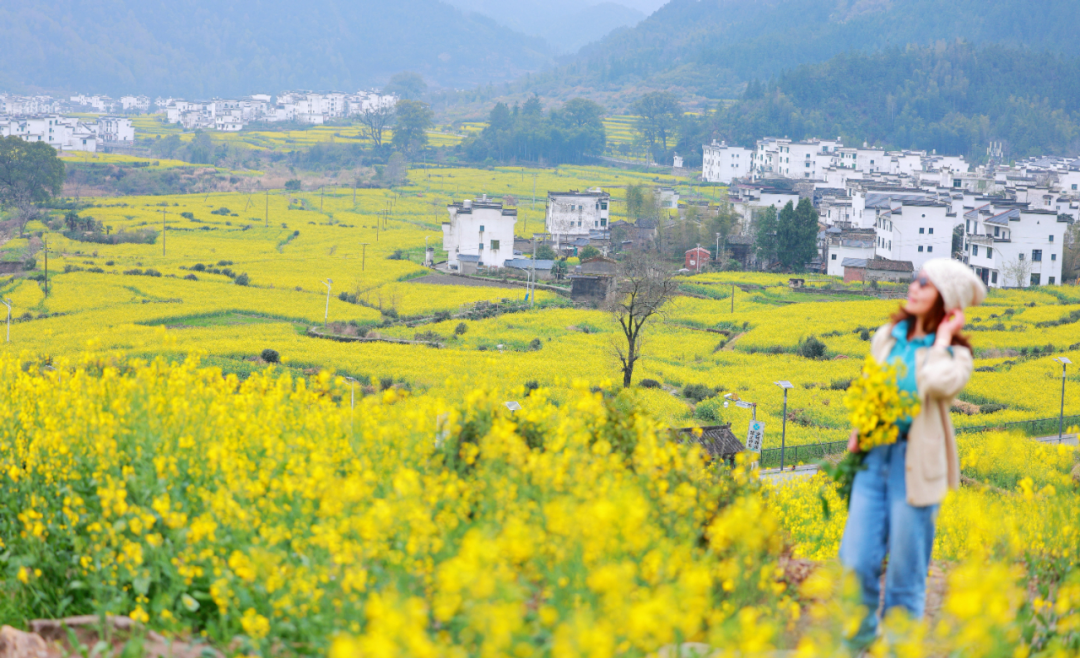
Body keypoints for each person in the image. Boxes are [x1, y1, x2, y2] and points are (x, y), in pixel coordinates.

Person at [838, 259, 987, 648]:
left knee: (906, 575)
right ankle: (856, 643)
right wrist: (858, 428)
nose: (914, 286)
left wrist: (943, 338)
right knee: (855, 561)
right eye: (915, 279)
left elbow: (937, 384)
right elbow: (870, 385)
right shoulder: (887, 337)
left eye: (925, 282)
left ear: (944, 299)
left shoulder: (956, 356)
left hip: (916, 467)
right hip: (873, 459)